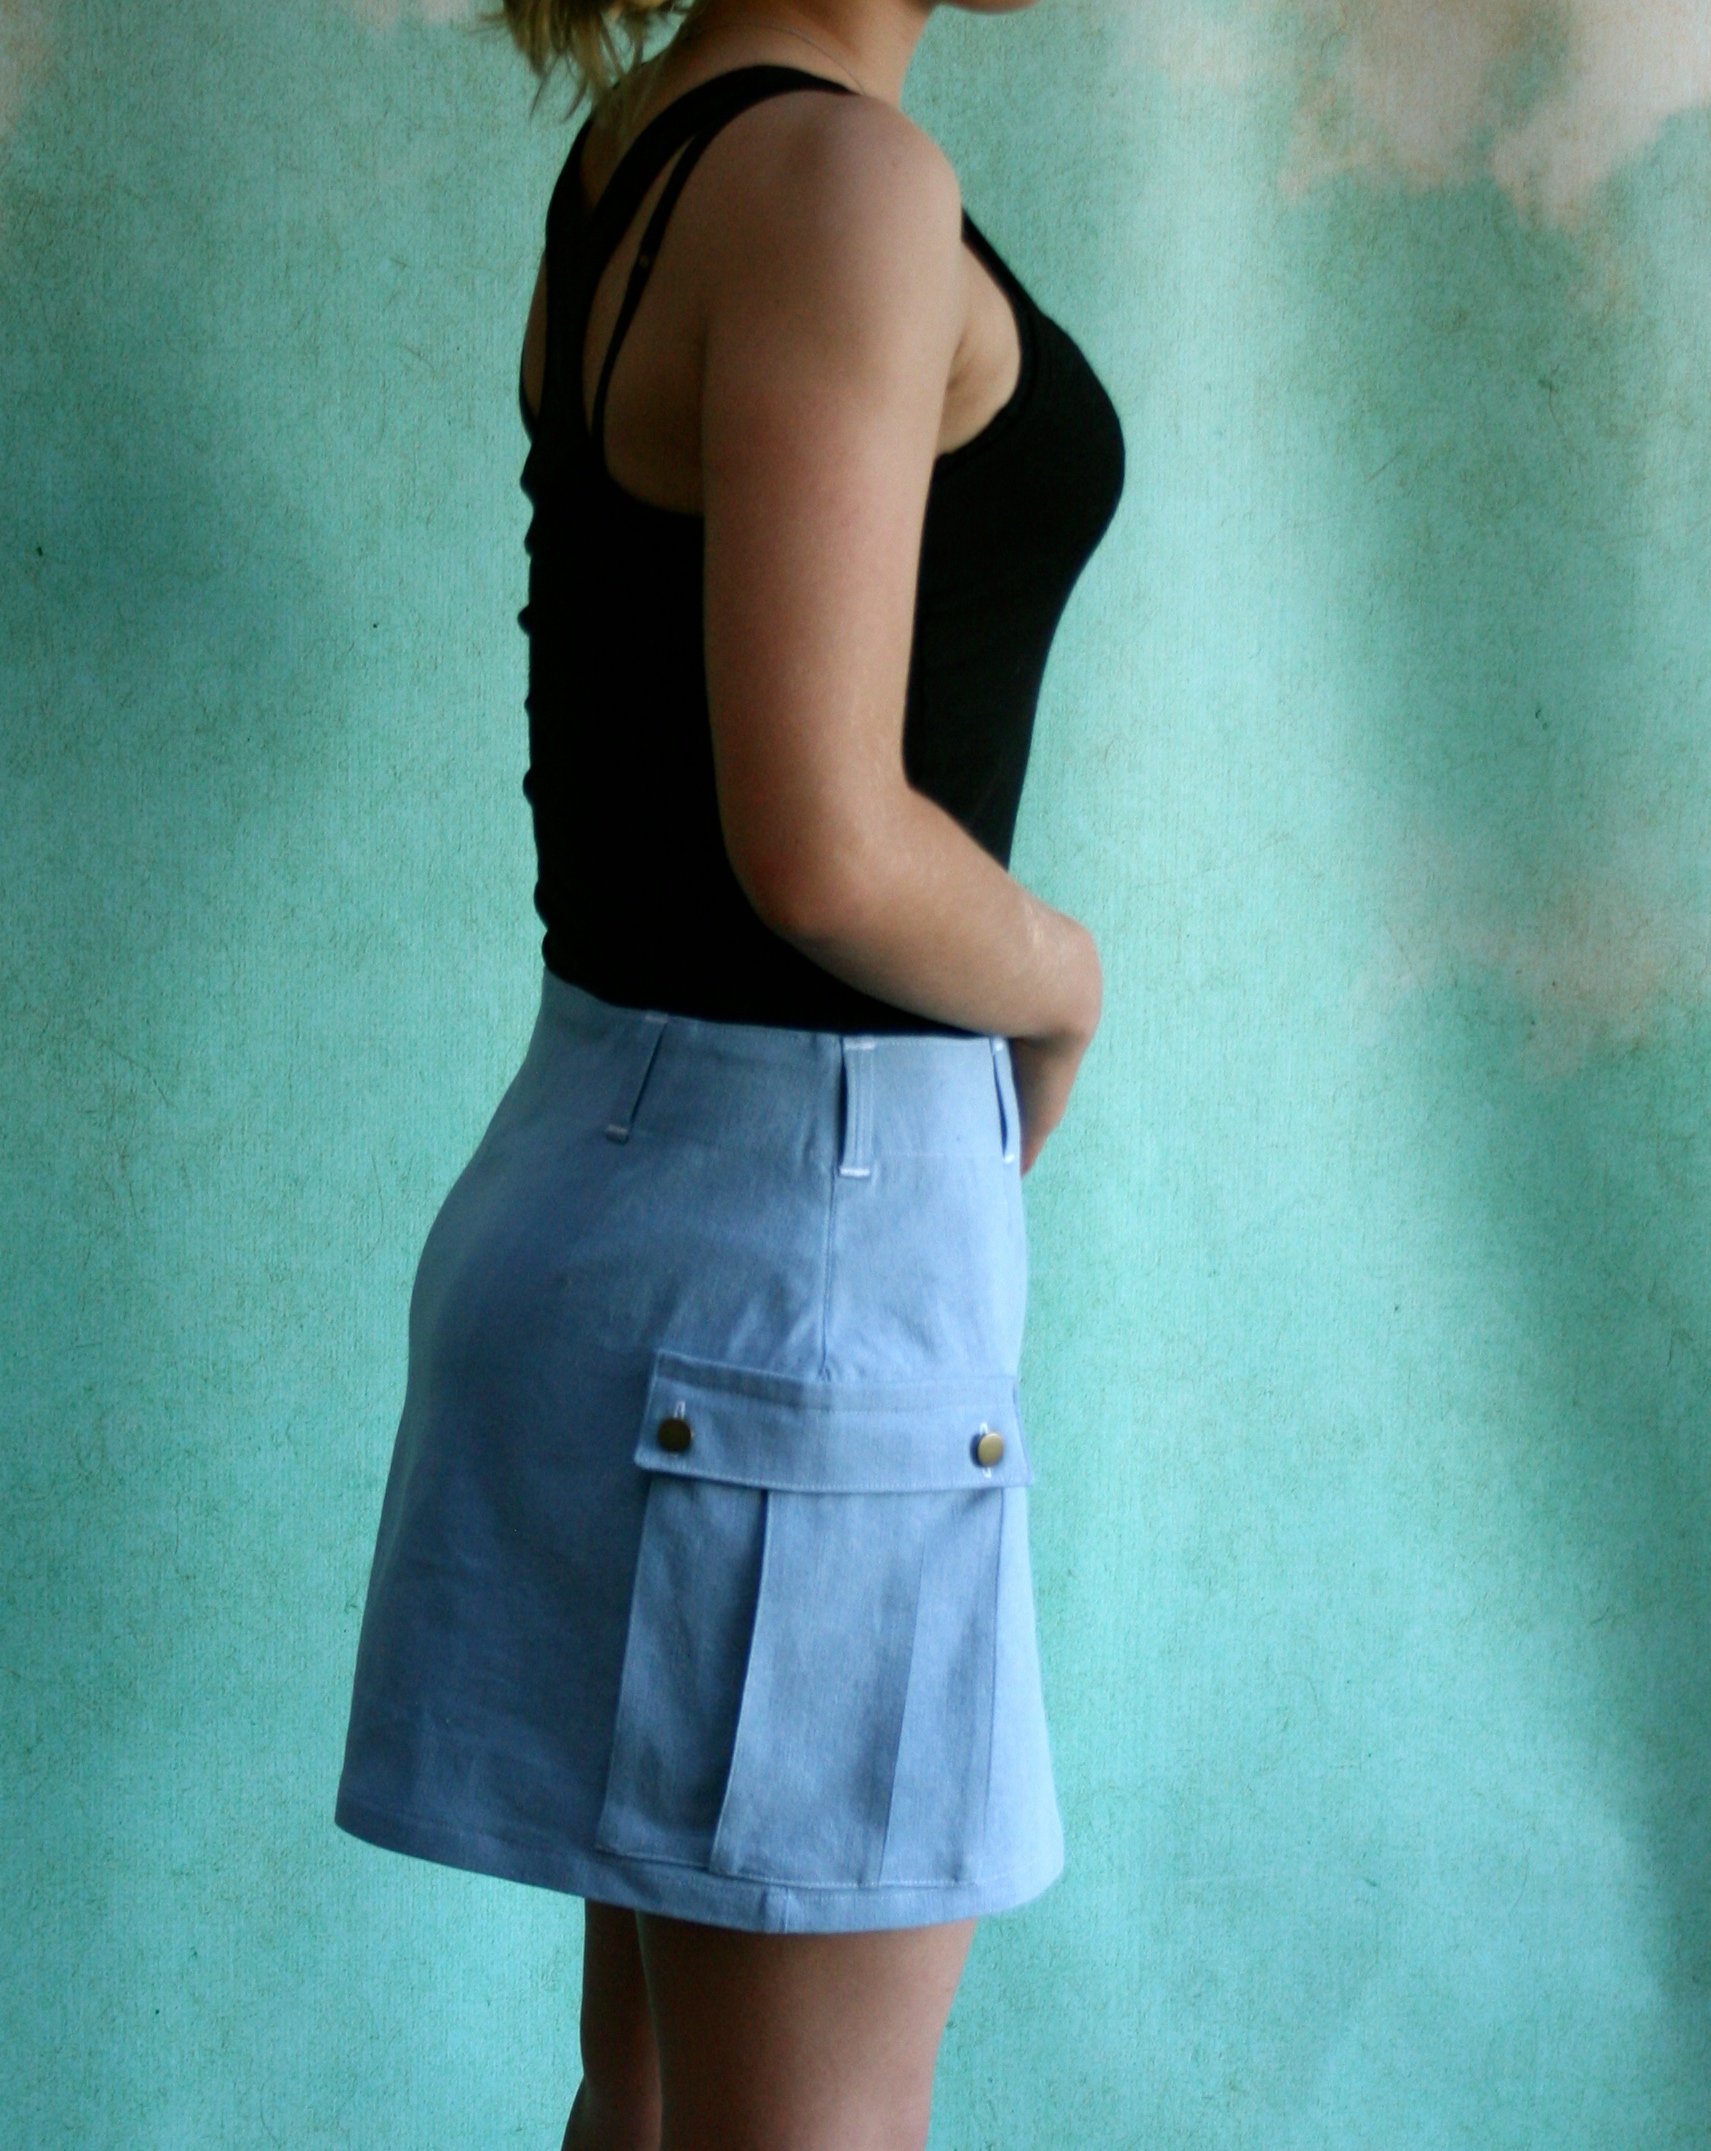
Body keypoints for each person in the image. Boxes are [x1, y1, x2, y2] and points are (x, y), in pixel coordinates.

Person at [335, 0, 1124, 2138]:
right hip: (799, 1275)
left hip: (620, 1187)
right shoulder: (838, 181)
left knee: (651, 2098)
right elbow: (821, 842)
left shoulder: (651, 146)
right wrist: (1062, 980)